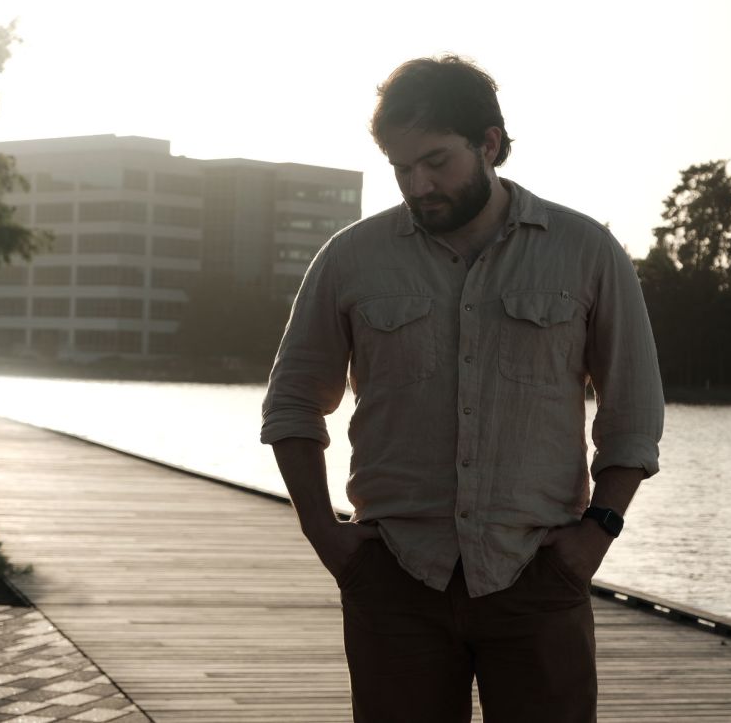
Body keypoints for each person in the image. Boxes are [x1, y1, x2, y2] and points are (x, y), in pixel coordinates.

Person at [260, 54, 664, 723]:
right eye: (401, 167)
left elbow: (634, 414)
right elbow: (292, 404)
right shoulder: (350, 259)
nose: (419, 185)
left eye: (436, 161)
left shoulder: (586, 251)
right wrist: (322, 533)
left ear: (490, 144)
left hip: (538, 577)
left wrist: (597, 534)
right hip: (394, 581)